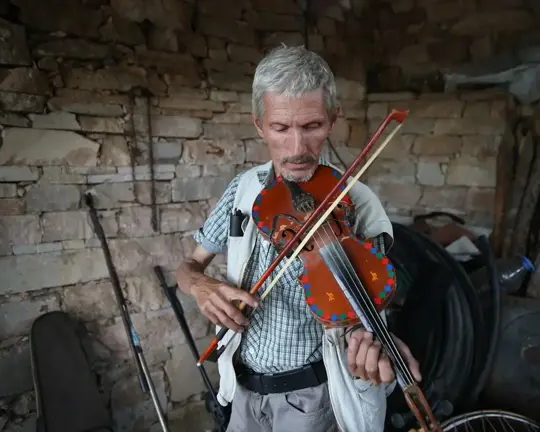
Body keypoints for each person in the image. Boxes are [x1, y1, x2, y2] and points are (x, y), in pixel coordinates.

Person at [176, 45, 421, 432]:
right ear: (259, 124)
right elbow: (187, 267)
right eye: (280, 128)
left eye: (312, 127)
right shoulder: (243, 190)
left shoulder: (356, 203)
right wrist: (201, 286)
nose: (296, 149)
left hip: (311, 403)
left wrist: (375, 342)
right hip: (242, 393)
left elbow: (365, 306)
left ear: (333, 118)